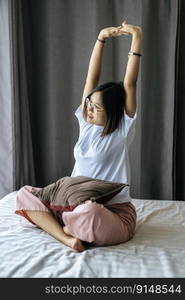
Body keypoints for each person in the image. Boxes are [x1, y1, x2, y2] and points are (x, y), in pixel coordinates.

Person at [15, 20, 142, 252]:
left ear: (114, 112)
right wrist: (101, 39)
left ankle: (66, 225)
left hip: (110, 211)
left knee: (88, 212)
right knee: (24, 194)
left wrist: (136, 37)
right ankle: (66, 236)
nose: (89, 110)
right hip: (71, 203)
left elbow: (130, 84)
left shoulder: (122, 128)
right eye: (89, 104)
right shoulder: (86, 122)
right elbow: (89, 81)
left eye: (96, 108)